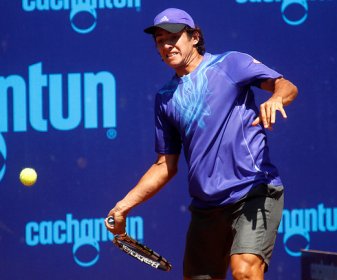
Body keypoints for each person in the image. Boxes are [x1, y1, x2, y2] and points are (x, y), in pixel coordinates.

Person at [105, 7, 298, 280]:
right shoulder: (165, 98)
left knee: (245, 270)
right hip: (207, 207)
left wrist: (277, 98)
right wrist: (124, 205)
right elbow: (164, 165)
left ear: (194, 37)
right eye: (160, 41)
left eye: (173, 37)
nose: (166, 45)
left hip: (253, 190)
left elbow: (286, 85)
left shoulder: (231, 64)